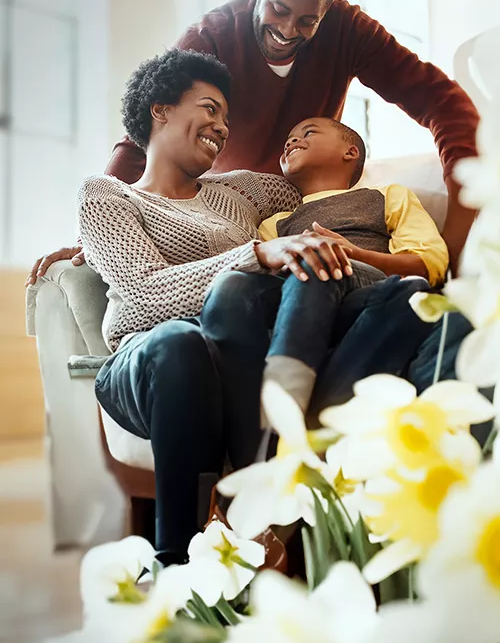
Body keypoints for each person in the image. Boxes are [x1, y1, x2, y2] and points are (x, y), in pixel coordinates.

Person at [80, 48, 364, 566]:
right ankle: (178, 564)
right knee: (181, 341)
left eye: (227, 119)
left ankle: (250, 521)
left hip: (235, 355)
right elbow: (144, 293)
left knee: (243, 312)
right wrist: (256, 253)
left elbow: (323, 179)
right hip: (147, 362)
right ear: (159, 109)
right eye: (209, 109)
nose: (222, 127)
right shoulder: (107, 195)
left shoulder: (239, 192)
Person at [26, 0, 478, 284]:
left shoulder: (350, 31)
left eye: (307, 21)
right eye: (279, 10)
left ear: (328, 12)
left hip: (304, 198)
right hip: (236, 213)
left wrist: (459, 230)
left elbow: (445, 104)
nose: (287, 30)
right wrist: (97, 232)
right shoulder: (211, 37)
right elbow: (144, 136)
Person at [199, 117, 448, 419]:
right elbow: (265, 286)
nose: (291, 141)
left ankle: (284, 413)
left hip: (371, 296)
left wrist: (354, 254)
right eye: (288, 139)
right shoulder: (274, 224)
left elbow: (429, 263)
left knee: (410, 291)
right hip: (305, 308)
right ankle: (292, 405)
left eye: (308, 133)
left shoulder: (386, 196)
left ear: (350, 152)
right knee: (313, 257)